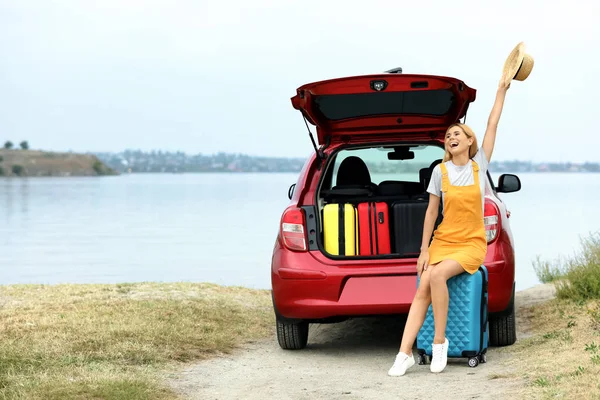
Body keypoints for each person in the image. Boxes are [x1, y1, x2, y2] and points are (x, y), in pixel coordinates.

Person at [388, 77, 511, 376]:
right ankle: (404, 353)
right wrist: (423, 251)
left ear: (469, 141)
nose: (451, 137)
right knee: (424, 287)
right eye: (447, 135)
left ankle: (439, 342)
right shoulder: (438, 171)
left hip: (470, 243)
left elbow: (492, 124)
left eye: (457, 133)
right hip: (443, 241)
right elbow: (431, 213)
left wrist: (501, 90)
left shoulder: (479, 164)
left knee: (439, 275)